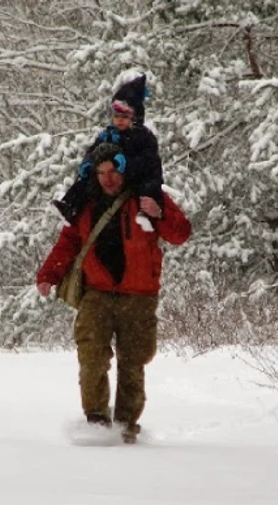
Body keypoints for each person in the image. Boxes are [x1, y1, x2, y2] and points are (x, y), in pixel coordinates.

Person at [36, 142, 191, 444]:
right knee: (91, 358)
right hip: (97, 294)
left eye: (113, 171)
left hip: (139, 296)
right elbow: (68, 242)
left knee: (133, 363)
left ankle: (125, 427)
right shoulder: (86, 205)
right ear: (94, 174)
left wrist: (158, 214)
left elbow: (180, 233)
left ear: (124, 170)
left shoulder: (148, 198)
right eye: (101, 172)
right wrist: (48, 275)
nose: (108, 178)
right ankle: (96, 424)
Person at [52, 74, 164, 225]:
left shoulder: (143, 137)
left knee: (148, 187)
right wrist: (87, 163)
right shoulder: (108, 135)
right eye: (116, 116)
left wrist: (128, 164)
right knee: (85, 183)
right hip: (112, 180)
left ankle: (146, 215)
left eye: (124, 117)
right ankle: (70, 206)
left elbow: (149, 161)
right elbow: (93, 151)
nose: (119, 120)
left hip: (137, 179)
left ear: (135, 118)